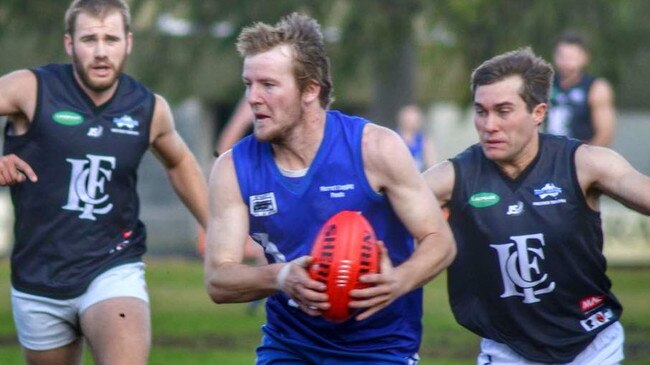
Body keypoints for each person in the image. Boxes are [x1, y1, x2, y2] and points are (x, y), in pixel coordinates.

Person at [204, 12, 456, 364]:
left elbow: (440, 241)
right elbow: (218, 278)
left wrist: (398, 281)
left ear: (310, 89)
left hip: (380, 349)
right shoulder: (233, 168)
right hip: (289, 347)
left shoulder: (374, 148)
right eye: (249, 84)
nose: (253, 98)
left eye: (268, 85)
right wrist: (281, 276)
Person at [0, 1, 208, 364]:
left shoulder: (148, 108)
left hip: (112, 267)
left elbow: (179, 162)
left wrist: (220, 230)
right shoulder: (30, 89)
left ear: (128, 42)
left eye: (110, 39)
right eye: (89, 39)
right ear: (69, 44)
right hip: (38, 276)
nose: (100, 52)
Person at [424, 47, 650, 364]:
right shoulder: (454, 177)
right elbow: (385, 206)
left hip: (592, 344)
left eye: (503, 111)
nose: (489, 125)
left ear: (538, 113)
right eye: (480, 111)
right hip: (508, 349)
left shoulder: (584, 163)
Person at [546, 32, 616, 146]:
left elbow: (605, 134)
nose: (566, 62)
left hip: (580, 155)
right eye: (561, 56)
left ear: (585, 58)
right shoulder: (544, 84)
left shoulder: (596, 88)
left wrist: (584, 159)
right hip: (549, 154)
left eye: (572, 57)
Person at [395, 104, 436, 171]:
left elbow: (431, 164)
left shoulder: (423, 140)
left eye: (413, 119)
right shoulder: (394, 137)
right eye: (408, 119)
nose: (410, 122)